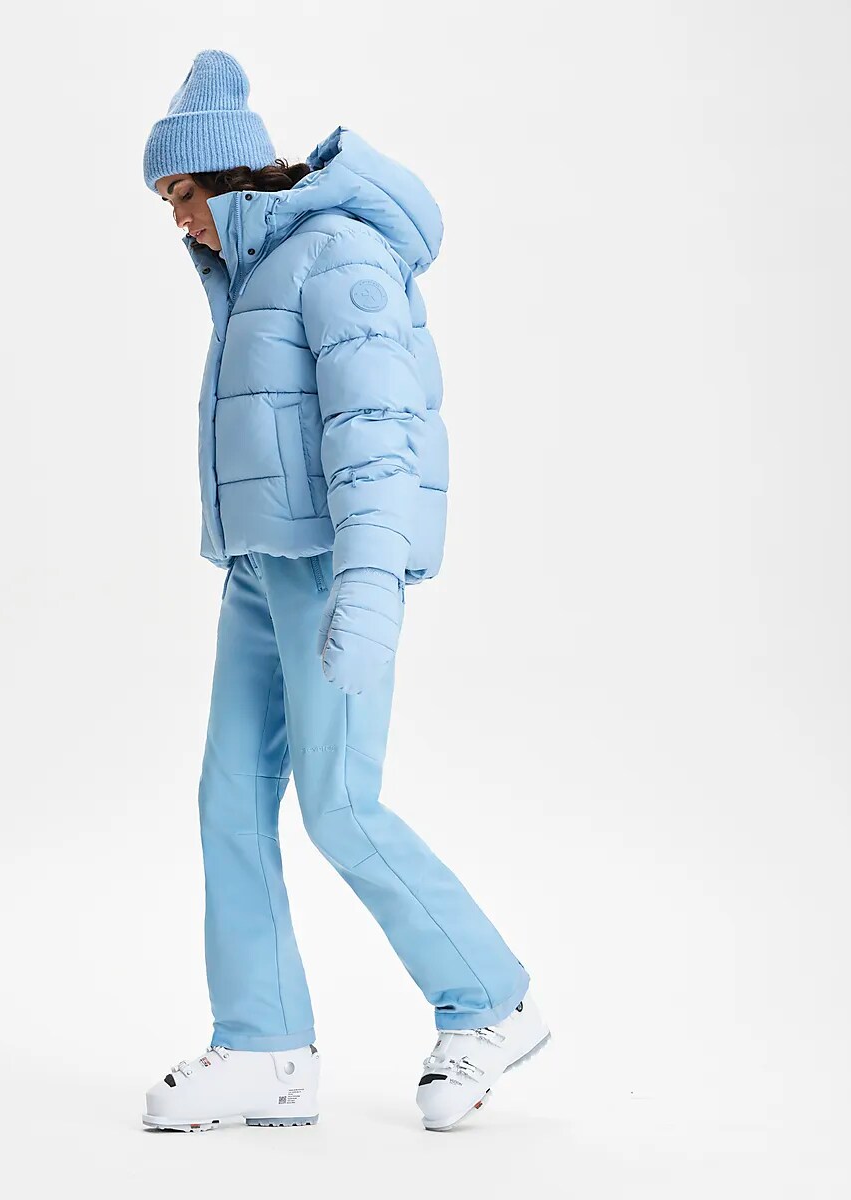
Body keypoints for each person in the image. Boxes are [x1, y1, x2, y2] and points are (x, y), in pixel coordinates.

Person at [140, 48, 549, 1134]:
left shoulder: (336, 253)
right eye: (166, 203)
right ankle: (264, 1047)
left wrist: (369, 586)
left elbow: (378, 433)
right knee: (230, 800)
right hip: (262, 569)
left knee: (341, 804)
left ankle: (490, 1001)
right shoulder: (252, 277)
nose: (177, 222)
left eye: (181, 195)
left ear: (228, 176)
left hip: (331, 567)